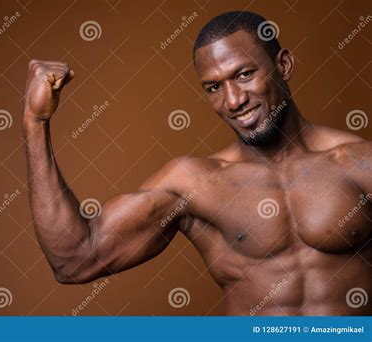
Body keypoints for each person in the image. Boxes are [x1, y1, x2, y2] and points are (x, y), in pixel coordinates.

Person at [22, 11, 371, 315]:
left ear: (283, 65)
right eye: (213, 87)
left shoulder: (359, 163)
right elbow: (74, 260)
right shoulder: (196, 183)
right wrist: (35, 124)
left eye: (245, 74)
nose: (233, 100)